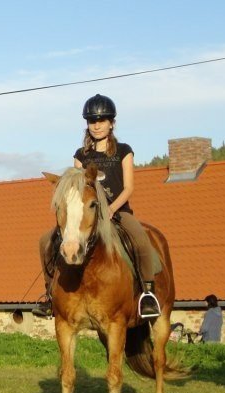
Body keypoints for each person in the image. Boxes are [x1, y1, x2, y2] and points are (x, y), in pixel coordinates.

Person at [33, 94, 162, 319]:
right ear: (87, 125)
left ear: (111, 123)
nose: (97, 125)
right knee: (46, 241)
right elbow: (76, 189)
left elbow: (129, 188)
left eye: (102, 121)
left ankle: (148, 295)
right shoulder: (81, 156)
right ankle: (49, 296)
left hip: (118, 212)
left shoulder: (124, 151)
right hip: (87, 214)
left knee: (141, 239)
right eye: (93, 121)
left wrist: (111, 209)